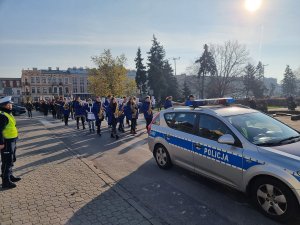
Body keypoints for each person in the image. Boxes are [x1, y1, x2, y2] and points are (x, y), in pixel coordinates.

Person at [0, 96, 21, 189]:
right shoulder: (2, 115)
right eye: (10, 104)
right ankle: (5, 181)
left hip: (12, 140)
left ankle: (10, 175)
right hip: (6, 142)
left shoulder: (7, 113)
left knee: (11, 160)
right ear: (5, 105)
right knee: (7, 161)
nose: (11, 105)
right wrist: (1, 143)